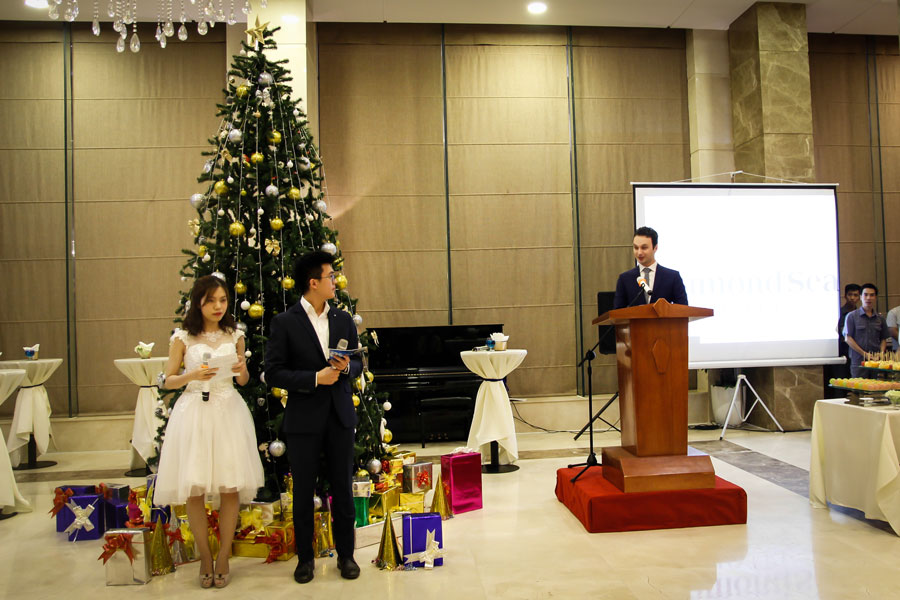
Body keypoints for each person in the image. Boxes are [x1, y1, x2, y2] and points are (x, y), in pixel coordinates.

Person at [154, 275, 264, 589]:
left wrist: (241, 369)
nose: (218, 306)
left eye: (223, 300)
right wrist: (194, 375)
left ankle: (224, 556)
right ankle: (205, 556)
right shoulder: (183, 337)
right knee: (195, 488)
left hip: (228, 411)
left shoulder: (235, 334)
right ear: (198, 302)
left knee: (230, 488)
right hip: (194, 413)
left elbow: (242, 381)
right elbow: (168, 380)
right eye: (211, 301)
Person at [264, 251, 362, 584]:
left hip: (339, 416)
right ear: (313, 282)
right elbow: (273, 372)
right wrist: (314, 378)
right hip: (303, 419)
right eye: (330, 276)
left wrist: (346, 368)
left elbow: (358, 363)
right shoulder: (285, 322)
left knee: (343, 489)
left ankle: (346, 555)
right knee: (304, 492)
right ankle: (305, 559)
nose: (336, 281)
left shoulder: (343, 319)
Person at [613, 226, 688, 309]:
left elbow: (683, 309)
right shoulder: (625, 279)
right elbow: (617, 311)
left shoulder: (672, 277)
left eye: (644, 248)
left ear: (655, 248)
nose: (639, 252)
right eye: (636, 248)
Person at [842, 282, 889, 377]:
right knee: (859, 385)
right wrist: (864, 354)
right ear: (860, 297)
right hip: (858, 361)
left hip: (876, 361)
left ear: (875, 297)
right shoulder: (852, 316)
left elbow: (883, 339)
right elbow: (848, 338)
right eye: (865, 295)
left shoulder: (880, 318)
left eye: (872, 295)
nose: (868, 298)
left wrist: (881, 353)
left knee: (876, 385)